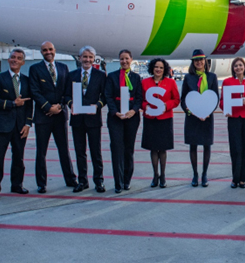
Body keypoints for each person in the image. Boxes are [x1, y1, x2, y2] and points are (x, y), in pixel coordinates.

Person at [29, 41, 77, 193]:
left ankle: (70, 179)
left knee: (64, 149)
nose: (48, 52)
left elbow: (67, 90)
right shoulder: (34, 69)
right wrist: (48, 107)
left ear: (55, 50)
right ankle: (41, 183)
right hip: (43, 117)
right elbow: (34, 91)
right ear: (41, 52)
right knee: (41, 151)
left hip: (60, 115)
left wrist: (60, 106)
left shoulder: (63, 68)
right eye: (44, 50)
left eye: (50, 49)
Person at [0, 48, 33, 200]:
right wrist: (12, 103)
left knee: (19, 158)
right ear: (8, 60)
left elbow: (29, 105)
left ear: (23, 62)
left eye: (18, 58)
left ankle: (17, 185)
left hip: (20, 126)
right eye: (12, 57)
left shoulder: (27, 80)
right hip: (1, 125)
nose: (15, 60)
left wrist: (28, 124)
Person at [65, 46, 107, 193]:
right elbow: (67, 95)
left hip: (93, 119)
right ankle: (82, 181)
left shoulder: (101, 75)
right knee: (80, 151)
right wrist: (71, 105)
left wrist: (97, 106)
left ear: (94, 59)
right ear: (80, 58)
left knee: (96, 152)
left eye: (90, 57)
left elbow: (104, 96)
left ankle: (99, 181)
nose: (87, 60)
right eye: (85, 57)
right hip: (77, 120)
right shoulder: (71, 75)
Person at [105, 49, 143, 193]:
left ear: (131, 59)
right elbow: (108, 96)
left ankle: (127, 180)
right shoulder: (112, 77)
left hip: (132, 118)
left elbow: (139, 97)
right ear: (119, 60)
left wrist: (133, 110)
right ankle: (118, 183)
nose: (124, 61)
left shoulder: (136, 77)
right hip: (116, 118)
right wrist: (115, 112)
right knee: (116, 149)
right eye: (121, 59)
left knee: (128, 150)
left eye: (127, 58)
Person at [181, 49, 219, 187]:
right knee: (193, 146)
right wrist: (190, 111)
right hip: (192, 118)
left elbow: (215, 98)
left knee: (207, 146)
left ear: (205, 61)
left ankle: (204, 174)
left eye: (201, 59)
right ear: (193, 62)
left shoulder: (212, 77)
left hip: (207, 117)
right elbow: (183, 99)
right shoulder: (188, 78)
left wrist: (208, 112)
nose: (199, 62)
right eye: (196, 60)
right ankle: (195, 174)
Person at [219, 58, 245, 189]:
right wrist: (226, 109)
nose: (238, 68)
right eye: (235, 66)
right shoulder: (227, 82)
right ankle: (235, 178)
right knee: (236, 149)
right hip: (234, 118)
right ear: (233, 68)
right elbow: (222, 101)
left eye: (240, 65)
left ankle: (243, 179)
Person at [141, 58, 180, 188]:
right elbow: (140, 99)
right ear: (152, 68)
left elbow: (176, 100)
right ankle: (155, 174)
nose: (158, 70)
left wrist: (165, 105)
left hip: (165, 119)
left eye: (161, 68)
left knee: (162, 149)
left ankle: (163, 175)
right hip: (151, 119)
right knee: (153, 148)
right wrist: (145, 106)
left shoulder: (171, 82)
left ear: (165, 70)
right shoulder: (145, 82)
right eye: (156, 67)